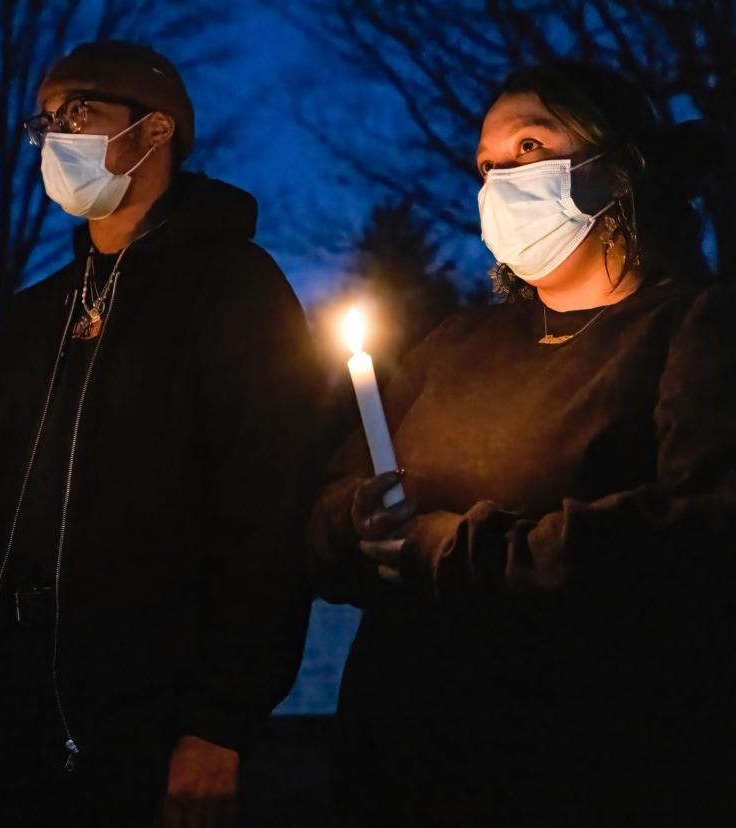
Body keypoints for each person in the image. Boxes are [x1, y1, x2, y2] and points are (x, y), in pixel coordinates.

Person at [0, 40, 318, 828]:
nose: (53, 135)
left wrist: (218, 721)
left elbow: (266, 518)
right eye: (45, 120)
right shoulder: (36, 314)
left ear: (155, 131)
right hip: (7, 712)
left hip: (146, 724)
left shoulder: (234, 293)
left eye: (78, 113)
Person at [309, 61, 736, 825]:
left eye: (530, 149)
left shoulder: (693, 332)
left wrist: (452, 552)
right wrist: (354, 521)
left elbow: (695, 536)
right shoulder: (457, 346)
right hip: (402, 771)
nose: (501, 182)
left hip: (582, 771)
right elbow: (325, 502)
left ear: (620, 168)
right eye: (486, 166)